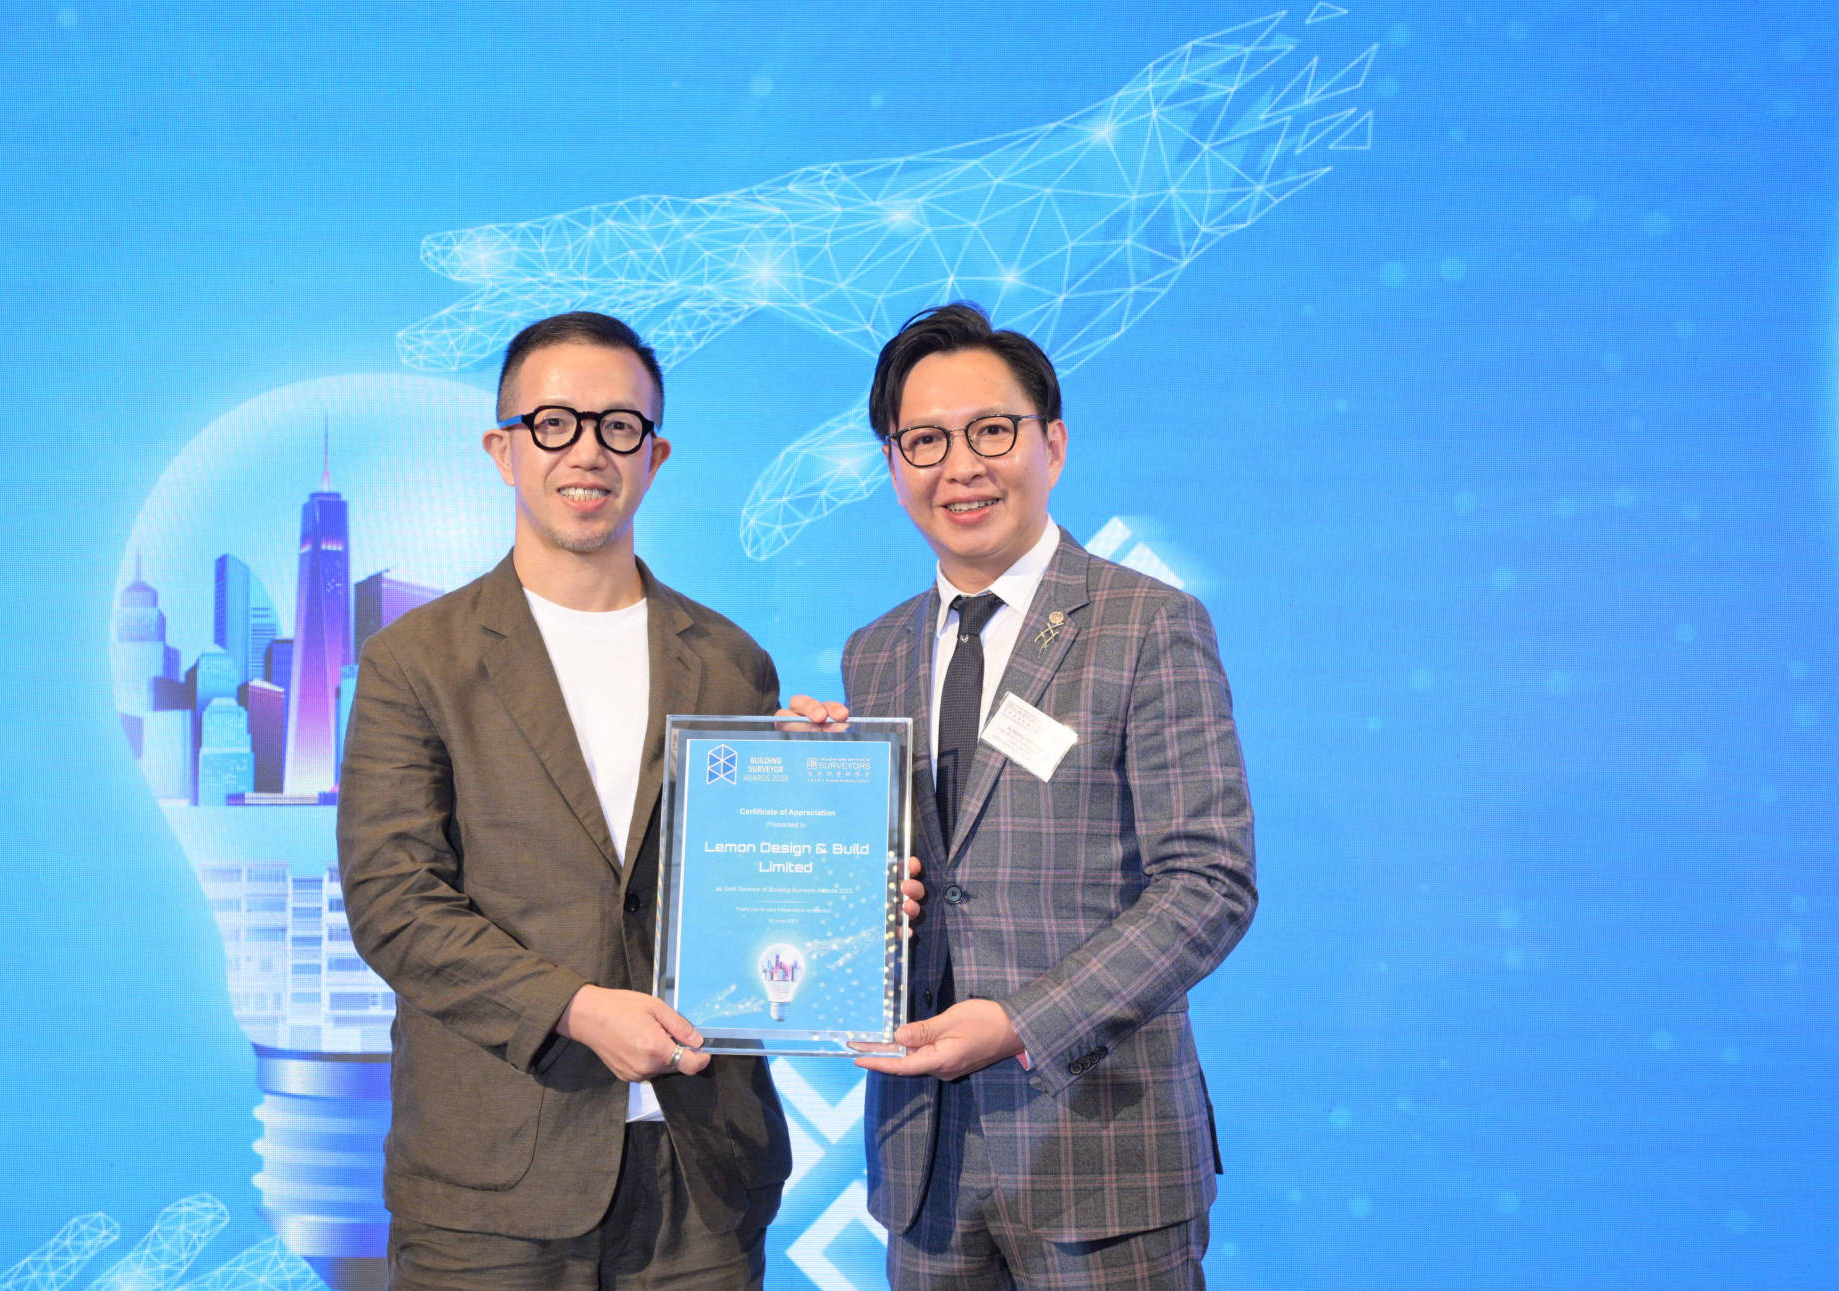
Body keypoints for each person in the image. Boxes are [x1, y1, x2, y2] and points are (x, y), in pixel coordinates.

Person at [789, 303, 1258, 1289]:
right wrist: (813, 815)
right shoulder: (876, 652)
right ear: (891, 465)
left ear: (1053, 443)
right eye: (924, 440)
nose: (959, 466)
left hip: (1101, 1154)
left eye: (990, 431)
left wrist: (1021, 1022)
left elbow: (1208, 884)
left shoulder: (1146, 623)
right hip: (923, 1161)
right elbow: (902, 886)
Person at [336, 311, 792, 1288]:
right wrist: (576, 1009)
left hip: (702, 1178)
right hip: (491, 1188)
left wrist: (845, 844)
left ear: (654, 455)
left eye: (618, 426)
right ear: (502, 449)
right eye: (554, 423)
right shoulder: (416, 662)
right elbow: (393, 904)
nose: (587, 451)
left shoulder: (731, 661)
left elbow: (759, 886)